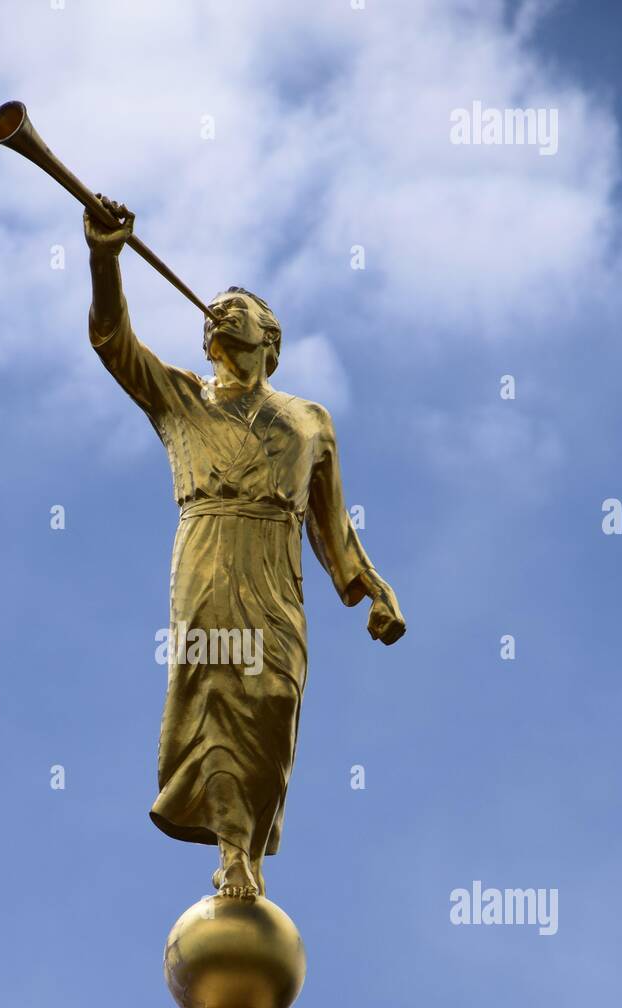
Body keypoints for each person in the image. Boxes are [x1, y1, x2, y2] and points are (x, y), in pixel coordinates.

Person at [85, 195, 406, 900]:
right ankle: (233, 854)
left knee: (272, 701)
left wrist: (371, 588)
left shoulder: (308, 419)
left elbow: (333, 525)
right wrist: (106, 260)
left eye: (236, 307)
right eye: (214, 311)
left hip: (275, 559)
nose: (219, 313)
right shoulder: (181, 399)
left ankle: (252, 838)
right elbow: (114, 343)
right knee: (218, 693)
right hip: (207, 547)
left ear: (272, 337)